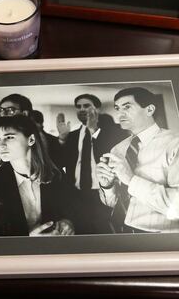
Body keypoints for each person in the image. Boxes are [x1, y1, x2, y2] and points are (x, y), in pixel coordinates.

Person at [0, 115, 79, 237]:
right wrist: (26, 240)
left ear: (31, 140)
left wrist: (69, 222)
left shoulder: (56, 176)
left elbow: (74, 208)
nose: (1, 145)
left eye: (9, 137)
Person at [97, 87, 179, 233]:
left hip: (157, 237)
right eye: (117, 108)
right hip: (117, 230)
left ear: (149, 110)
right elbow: (112, 203)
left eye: (127, 107)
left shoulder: (177, 144)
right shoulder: (117, 150)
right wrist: (107, 186)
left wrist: (131, 179)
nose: (119, 114)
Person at [54, 94, 127, 234]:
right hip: (76, 195)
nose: (82, 109)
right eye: (79, 107)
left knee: (106, 234)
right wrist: (62, 139)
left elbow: (112, 155)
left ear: (97, 109)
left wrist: (93, 130)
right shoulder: (72, 136)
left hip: (103, 194)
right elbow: (60, 162)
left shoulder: (114, 131)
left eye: (86, 105)